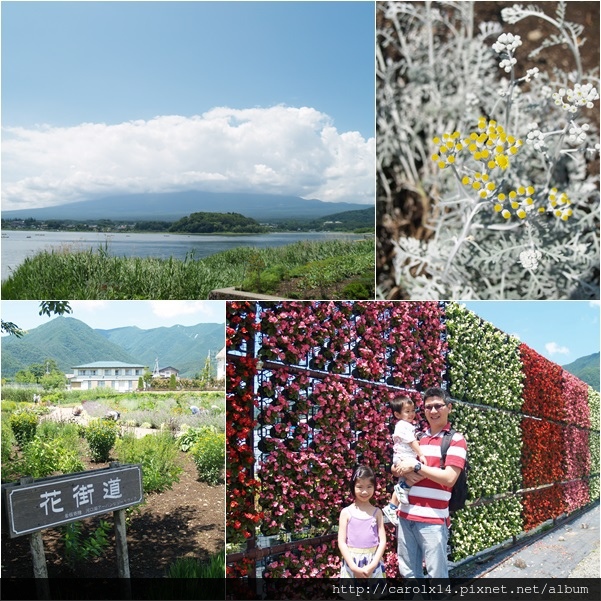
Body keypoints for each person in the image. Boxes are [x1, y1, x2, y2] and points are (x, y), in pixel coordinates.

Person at [392, 387, 467, 580]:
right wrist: (398, 469)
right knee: (408, 574)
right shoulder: (417, 438)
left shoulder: (455, 440)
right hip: (405, 516)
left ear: (449, 408)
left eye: (438, 406)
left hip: (433, 520)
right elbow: (399, 465)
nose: (433, 411)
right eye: (428, 407)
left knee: (437, 576)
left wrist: (416, 467)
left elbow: (450, 478)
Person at [382, 396, 425, 526]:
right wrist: (421, 455)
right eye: (407, 411)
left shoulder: (405, 425)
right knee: (421, 473)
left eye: (413, 410)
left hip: (402, 457)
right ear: (397, 414)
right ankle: (401, 491)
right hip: (404, 458)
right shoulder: (403, 425)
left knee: (406, 481)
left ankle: (392, 507)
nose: (411, 414)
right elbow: (411, 442)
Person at [338, 465, 387, 580]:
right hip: (352, 563)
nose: (365, 491)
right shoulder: (346, 512)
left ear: (374, 487)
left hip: (373, 562)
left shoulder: (377, 512)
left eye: (369, 486)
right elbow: (341, 542)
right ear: (353, 487)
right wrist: (353, 567)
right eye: (360, 487)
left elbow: (382, 541)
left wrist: (373, 565)